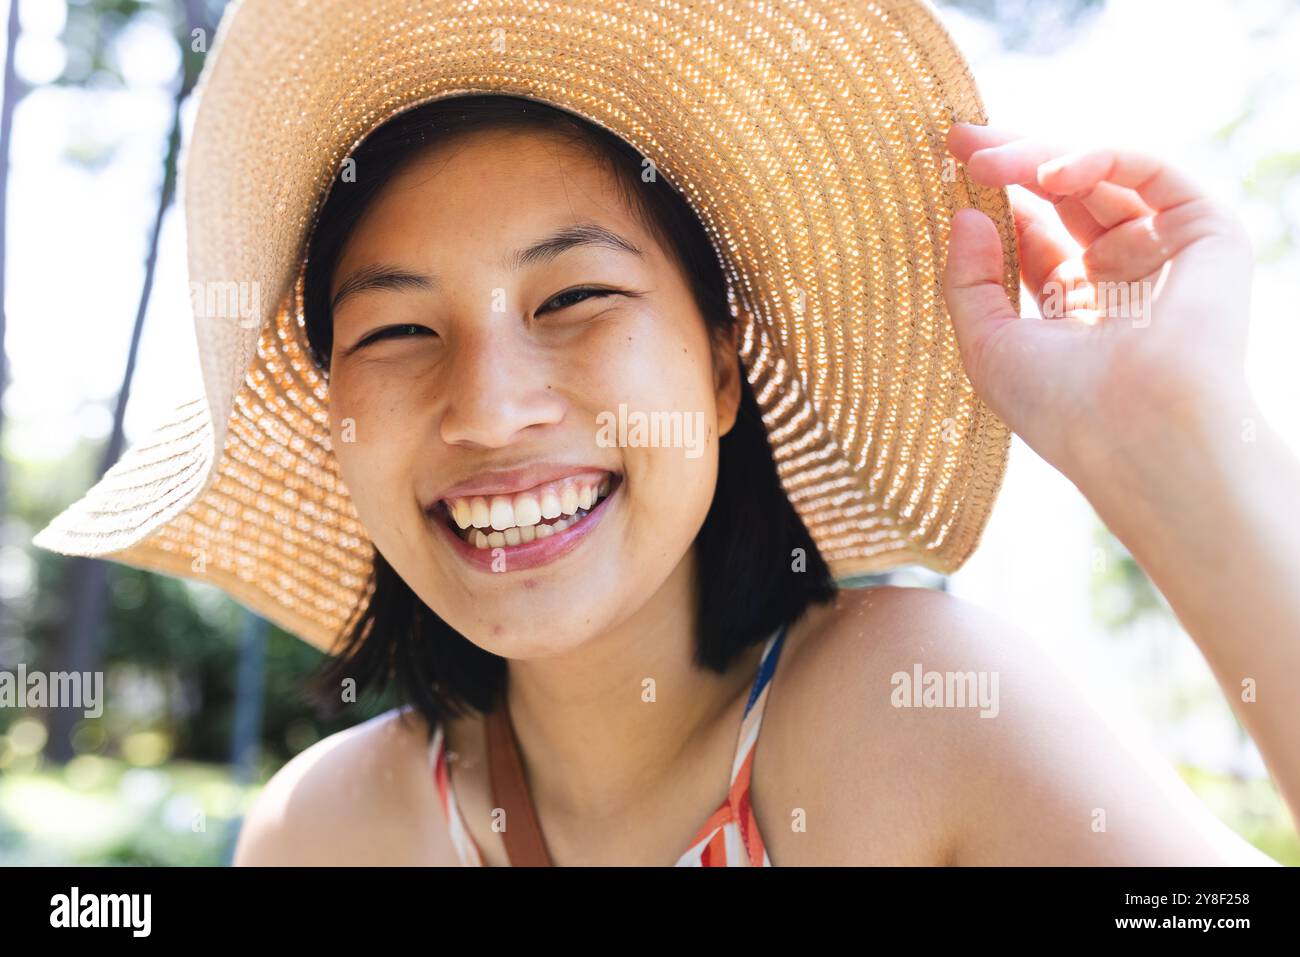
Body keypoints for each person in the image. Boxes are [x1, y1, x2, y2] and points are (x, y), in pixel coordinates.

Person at [32, 0, 1297, 866]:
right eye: (397, 333)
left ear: (722, 364)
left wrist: (1182, 444)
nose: (489, 407)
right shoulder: (325, 834)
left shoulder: (912, 722)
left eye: (574, 298)